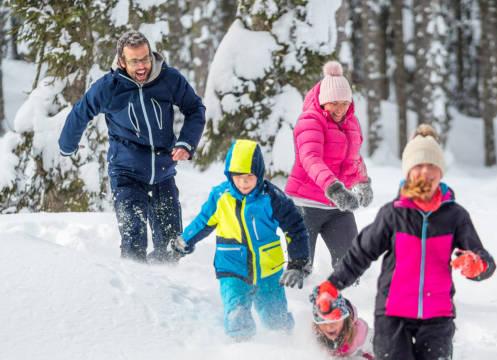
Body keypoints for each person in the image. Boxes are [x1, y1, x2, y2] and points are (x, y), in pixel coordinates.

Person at [312, 124, 496, 360]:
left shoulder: (455, 216)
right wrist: (332, 285)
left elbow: (482, 258)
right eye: (418, 166)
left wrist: (476, 265)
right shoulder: (393, 213)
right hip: (394, 312)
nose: (425, 172)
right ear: (408, 171)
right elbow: (360, 253)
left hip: (437, 315)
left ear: (440, 172)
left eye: (431, 166)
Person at [58, 30, 206, 262]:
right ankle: (135, 291)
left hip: (163, 172)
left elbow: (195, 109)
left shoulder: (168, 79)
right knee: (133, 238)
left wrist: (186, 142)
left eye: (145, 58)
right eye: (134, 60)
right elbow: (81, 112)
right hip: (126, 172)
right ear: (121, 61)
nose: (142, 66)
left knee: (170, 247)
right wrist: (67, 145)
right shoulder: (109, 87)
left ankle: (166, 290)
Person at [171, 139, 310, 340]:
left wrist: (297, 263)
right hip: (232, 268)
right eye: (238, 178)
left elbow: (296, 228)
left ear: (259, 175)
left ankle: (284, 349)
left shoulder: (271, 197)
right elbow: (203, 222)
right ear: (229, 176)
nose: (243, 183)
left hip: (268, 270)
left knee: (276, 319)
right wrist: (185, 240)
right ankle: (242, 353)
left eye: (249, 177)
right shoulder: (221, 196)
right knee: (236, 316)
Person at [285, 60, 373, 271]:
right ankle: (300, 302)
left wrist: (363, 182)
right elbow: (310, 158)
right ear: (324, 101)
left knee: (351, 266)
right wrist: (333, 187)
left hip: (337, 207)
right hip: (306, 206)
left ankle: (344, 302)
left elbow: (353, 158)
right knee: (300, 268)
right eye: (334, 102)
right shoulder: (310, 120)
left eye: (344, 103)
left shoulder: (351, 122)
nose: (340, 109)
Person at [310, 289, 374, 360]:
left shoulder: (360, 333)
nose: (329, 327)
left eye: (333, 320)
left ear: (344, 318)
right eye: (323, 322)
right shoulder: (313, 336)